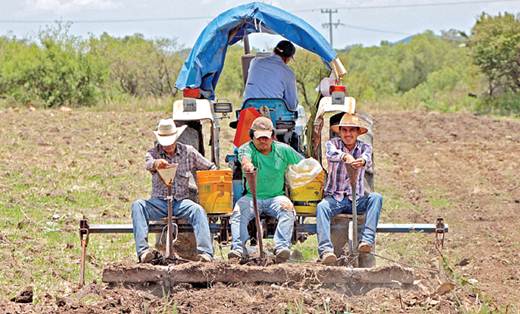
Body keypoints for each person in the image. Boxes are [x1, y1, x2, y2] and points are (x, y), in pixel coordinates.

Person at [131, 118, 216, 263]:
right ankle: (143, 252)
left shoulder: (188, 152)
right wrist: (157, 163)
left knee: (198, 211)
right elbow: (149, 163)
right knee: (138, 206)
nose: (168, 145)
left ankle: (206, 253)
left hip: (180, 202)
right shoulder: (153, 153)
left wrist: (212, 182)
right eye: (164, 142)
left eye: (170, 141)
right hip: (159, 203)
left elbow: (210, 167)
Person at [228, 116, 303, 262]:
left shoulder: (283, 150)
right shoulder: (246, 148)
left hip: (276, 196)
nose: (263, 141)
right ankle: (238, 249)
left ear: (272, 136)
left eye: (266, 137)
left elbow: (303, 163)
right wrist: (248, 166)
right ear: (252, 137)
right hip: (252, 196)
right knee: (237, 213)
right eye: (259, 138)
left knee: (287, 209)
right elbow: (245, 160)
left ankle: (281, 247)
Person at [316, 113, 383, 265]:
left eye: (352, 130)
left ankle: (366, 241)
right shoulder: (332, 144)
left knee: (376, 198)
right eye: (344, 130)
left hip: (356, 199)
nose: (348, 134)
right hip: (336, 198)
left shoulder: (365, 147)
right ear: (339, 132)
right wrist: (346, 157)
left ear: (358, 132)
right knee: (322, 207)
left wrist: (362, 161)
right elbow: (332, 154)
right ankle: (326, 251)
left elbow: (368, 159)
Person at [243, 40, 298, 110]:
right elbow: (292, 105)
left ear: (274, 50)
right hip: (274, 116)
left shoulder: (255, 62)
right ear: (288, 58)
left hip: (248, 112)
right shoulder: (288, 73)